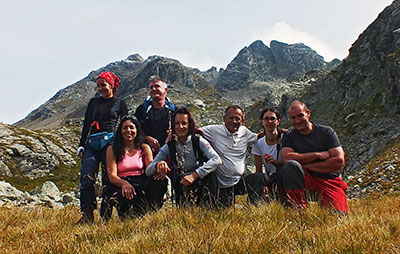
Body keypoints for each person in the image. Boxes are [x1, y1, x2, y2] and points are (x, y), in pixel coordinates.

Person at [77, 71, 128, 223]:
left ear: (111, 85)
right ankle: (87, 214)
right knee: (86, 177)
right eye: (98, 86)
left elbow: (125, 124)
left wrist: (124, 145)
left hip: (110, 144)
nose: (100, 89)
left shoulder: (120, 103)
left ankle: (106, 214)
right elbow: (86, 124)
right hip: (92, 143)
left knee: (109, 178)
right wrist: (81, 144)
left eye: (103, 85)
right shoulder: (93, 102)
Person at [280, 100, 348, 213]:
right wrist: (318, 155)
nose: (297, 121)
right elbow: (286, 158)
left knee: (337, 217)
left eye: (300, 115)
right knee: (290, 166)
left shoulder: (326, 132)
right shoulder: (289, 136)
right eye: (293, 118)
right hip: (306, 180)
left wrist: (306, 165)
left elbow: (339, 161)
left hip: (328, 180)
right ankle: (298, 210)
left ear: (308, 113)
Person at [146, 107, 221, 206]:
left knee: (211, 177)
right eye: (177, 123)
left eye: (184, 123)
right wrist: (158, 165)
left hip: (200, 181)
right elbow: (148, 171)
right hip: (181, 184)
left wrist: (195, 175)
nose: (180, 127)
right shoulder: (170, 146)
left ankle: (210, 208)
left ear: (190, 125)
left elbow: (216, 160)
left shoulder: (198, 140)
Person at [200, 105, 263, 207]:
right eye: (231, 118)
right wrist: (172, 133)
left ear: (242, 121)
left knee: (258, 178)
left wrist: (277, 133)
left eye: (237, 119)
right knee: (224, 211)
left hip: (240, 181)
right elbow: (194, 130)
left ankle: (252, 207)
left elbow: (257, 136)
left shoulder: (245, 132)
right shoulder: (213, 130)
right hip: (222, 184)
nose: (234, 121)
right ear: (224, 119)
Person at [134, 76, 174, 209]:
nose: (154, 89)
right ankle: (150, 208)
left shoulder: (172, 111)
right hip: (147, 152)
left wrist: (172, 134)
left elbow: (182, 129)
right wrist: (147, 138)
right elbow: (135, 131)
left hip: (168, 151)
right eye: (151, 87)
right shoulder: (142, 110)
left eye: (157, 86)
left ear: (165, 90)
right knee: (151, 179)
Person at [106, 115, 153, 219]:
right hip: (121, 183)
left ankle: (152, 211)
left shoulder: (144, 147)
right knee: (124, 202)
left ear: (137, 129)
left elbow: (150, 166)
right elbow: (112, 175)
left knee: (159, 183)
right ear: (120, 131)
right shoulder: (112, 149)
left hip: (141, 181)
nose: (128, 130)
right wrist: (124, 183)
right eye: (125, 128)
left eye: (132, 127)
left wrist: (160, 165)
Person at [250, 107, 284, 202]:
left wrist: (275, 162)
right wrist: (262, 186)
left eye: (273, 118)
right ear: (262, 122)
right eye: (266, 119)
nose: (269, 121)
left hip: (284, 177)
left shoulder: (285, 138)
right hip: (270, 180)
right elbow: (258, 170)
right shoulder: (258, 143)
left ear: (278, 121)